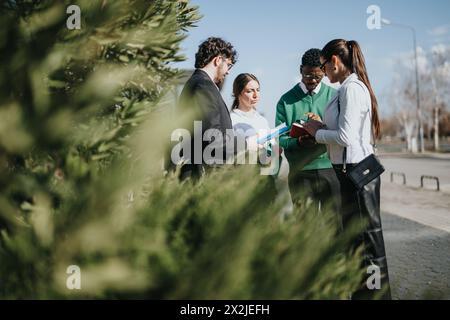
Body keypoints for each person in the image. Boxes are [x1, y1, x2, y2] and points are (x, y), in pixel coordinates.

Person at [303, 39, 391, 300]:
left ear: (335, 62)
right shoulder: (347, 88)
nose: (322, 73)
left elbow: (346, 137)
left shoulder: (351, 89)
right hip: (351, 173)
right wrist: (321, 127)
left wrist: (317, 132)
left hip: (357, 173)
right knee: (358, 244)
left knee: (368, 246)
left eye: (323, 66)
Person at [176, 37, 257, 180]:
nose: (228, 72)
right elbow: (213, 136)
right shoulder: (203, 86)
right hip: (202, 176)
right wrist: (246, 144)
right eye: (229, 65)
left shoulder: (198, 83)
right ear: (218, 60)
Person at [275, 49, 340, 215]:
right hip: (300, 173)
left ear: (324, 71)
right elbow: (280, 139)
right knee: (304, 228)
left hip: (331, 170)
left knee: (334, 227)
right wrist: (298, 142)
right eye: (307, 75)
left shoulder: (334, 96)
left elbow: (342, 132)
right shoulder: (285, 101)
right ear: (300, 70)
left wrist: (321, 128)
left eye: (318, 76)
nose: (312, 80)